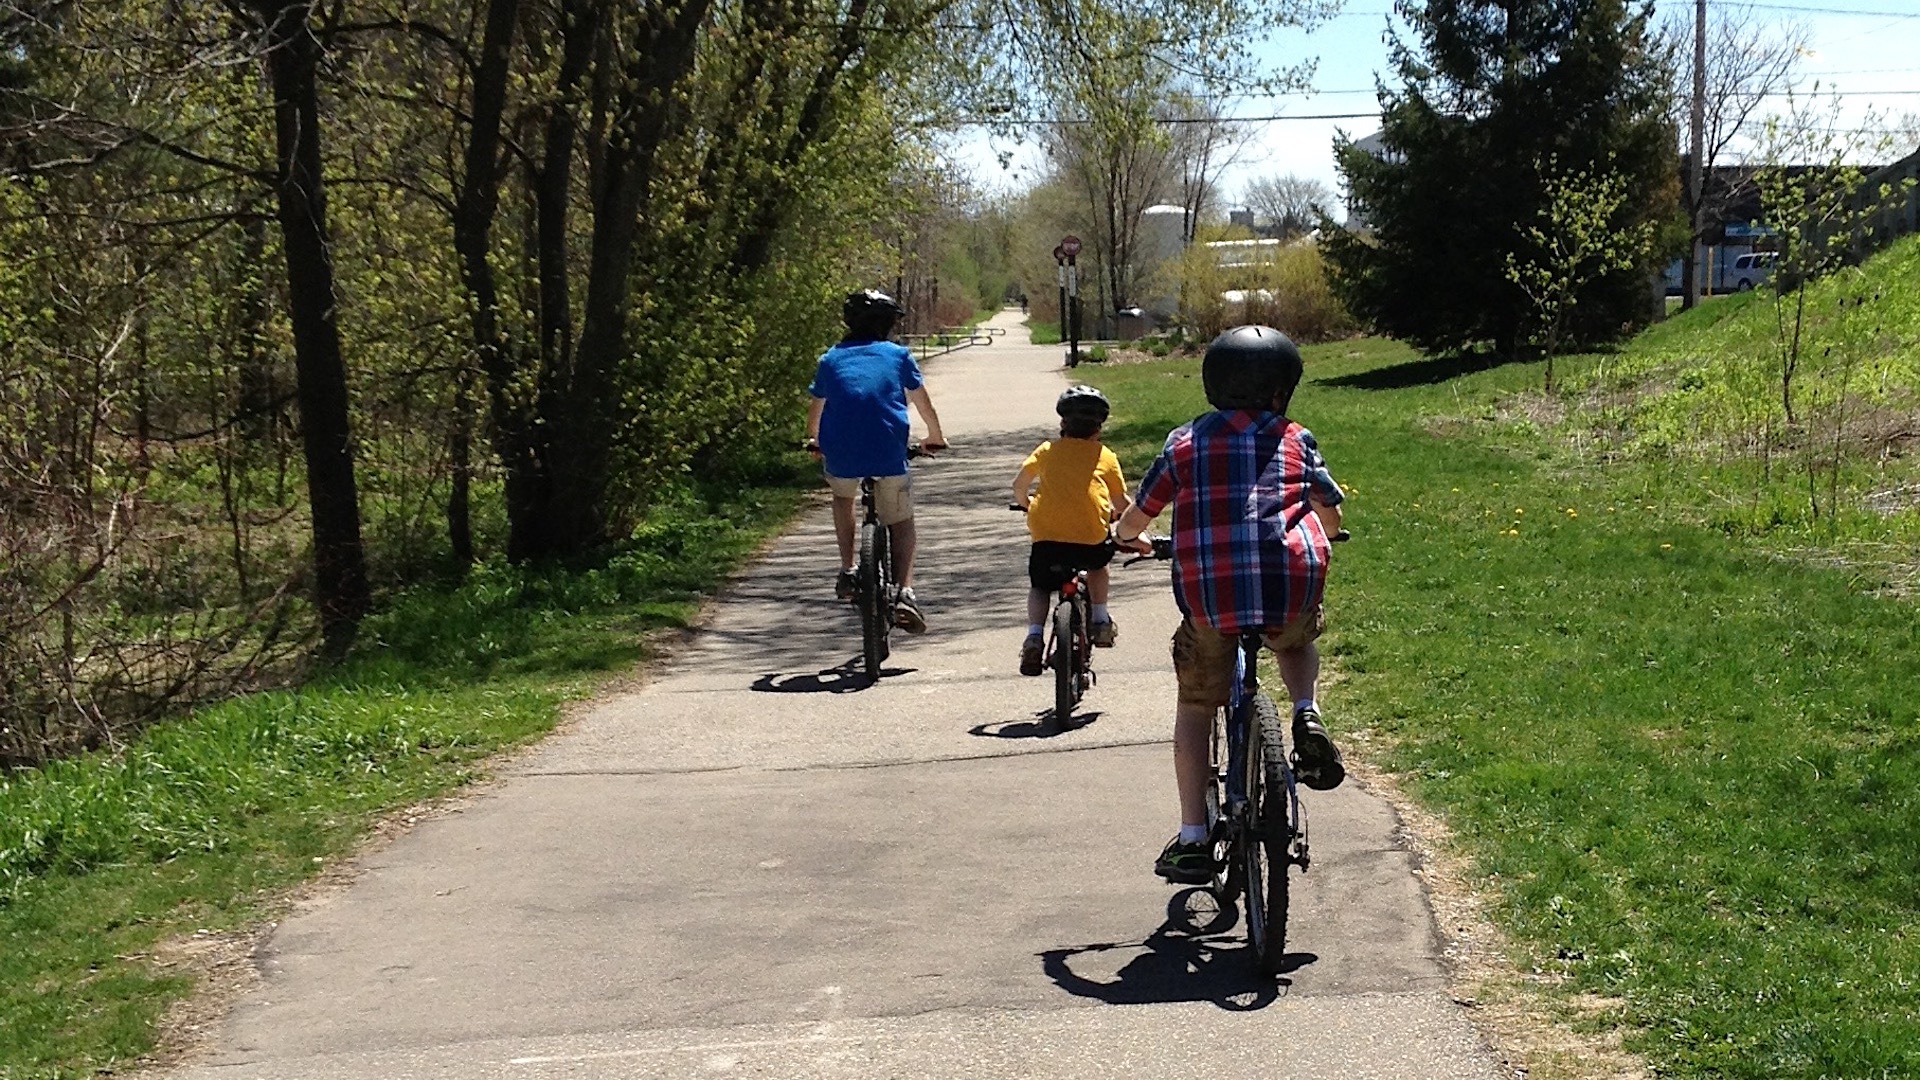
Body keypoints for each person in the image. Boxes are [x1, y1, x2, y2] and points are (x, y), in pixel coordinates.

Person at [1111, 325, 1347, 885]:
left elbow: (1141, 515)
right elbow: (1328, 507)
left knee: (1196, 705)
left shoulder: (1184, 442)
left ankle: (1193, 836)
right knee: (1295, 637)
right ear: (1281, 392)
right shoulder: (1296, 438)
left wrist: (1126, 535)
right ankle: (1305, 712)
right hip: (1289, 580)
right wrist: (1331, 531)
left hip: (1211, 598)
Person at [806, 289, 947, 633]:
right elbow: (923, 404)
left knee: (843, 498)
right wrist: (935, 437)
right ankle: (905, 593)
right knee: (901, 521)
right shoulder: (898, 356)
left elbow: (817, 407)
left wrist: (814, 440)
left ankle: (848, 569)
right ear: (886, 325)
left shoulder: (831, 359)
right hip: (888, 452)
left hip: (840, 452)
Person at [1011, 385, 1129, 675]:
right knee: (1099, 566)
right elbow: (1120, 502)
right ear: (1099, 428)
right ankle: (1100, 619)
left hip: (1047, 536)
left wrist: (1027, 504)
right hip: (1090, 535)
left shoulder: (1047, 451)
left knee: (1040, 586)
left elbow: (1019, 486)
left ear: (1063, 423)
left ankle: (1034, 636)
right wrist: (1124, 517)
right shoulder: (1105, 456)